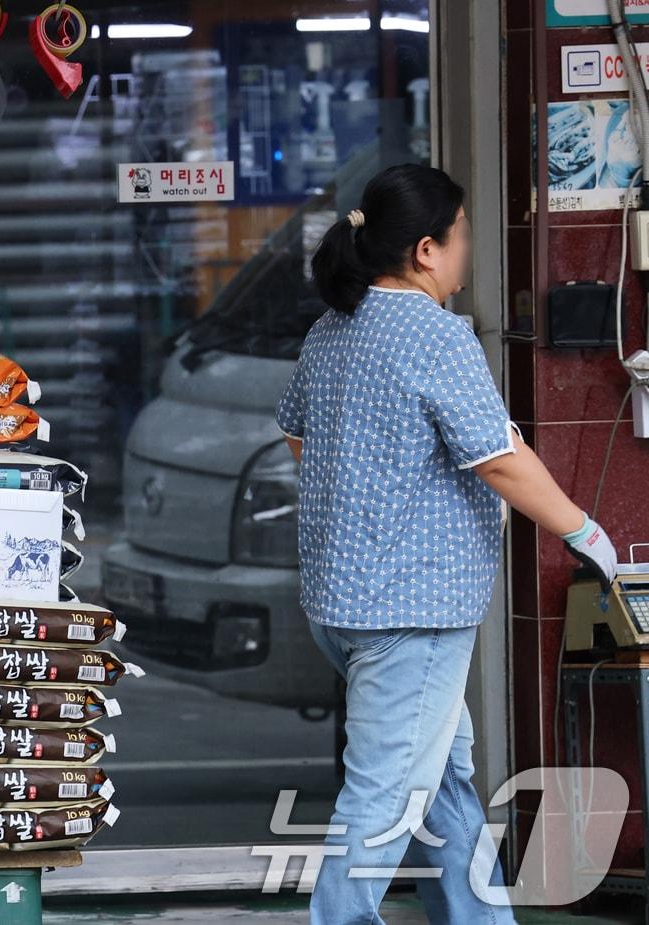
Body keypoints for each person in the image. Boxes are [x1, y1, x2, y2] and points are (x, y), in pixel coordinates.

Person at [276, 163, 618, 925]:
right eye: (460, 235)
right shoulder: (435, 336)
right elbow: (499, 457)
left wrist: (371, 495)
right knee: (386, 791)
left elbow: (299, 436)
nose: (467, 249)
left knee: (442, 778)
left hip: (344, 603)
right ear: (426, 249)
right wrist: (583, 529)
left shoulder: (332, 329)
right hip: (414, 611)